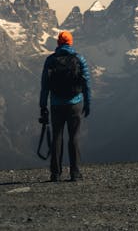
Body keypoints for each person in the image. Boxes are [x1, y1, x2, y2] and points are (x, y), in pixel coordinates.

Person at [39, 30, 91, 182]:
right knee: (73, 137)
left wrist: (43, 106)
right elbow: (86, 83)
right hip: (75, 104)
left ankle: (55, 173)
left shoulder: (50, 60)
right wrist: (88, 103)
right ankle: (75, 173)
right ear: (70, 42)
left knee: (57, 137)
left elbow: (45, 86)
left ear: (58, 43)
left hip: (56, 104)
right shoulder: (79, 59)